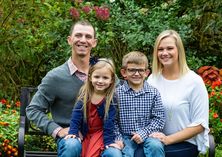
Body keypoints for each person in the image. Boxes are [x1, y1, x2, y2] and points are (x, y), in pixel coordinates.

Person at [26, 20, 98, 157]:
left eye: (88, 36)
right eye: (78, 35)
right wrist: (57, 130)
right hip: (71, 139)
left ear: (94, 42)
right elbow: (33, 109)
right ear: (69, 40)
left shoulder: (103, 74)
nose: (83, 40)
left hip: (99, 136)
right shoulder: (55, 77)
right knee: (72, 145)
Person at [147, 30, 209, 157]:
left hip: (184, 144)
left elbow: (200, 124)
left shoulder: (194, 82)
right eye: (160, 49)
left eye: (170, 48)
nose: (164, 53)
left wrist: (168, 139)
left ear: (179, 50)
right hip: (155, 142)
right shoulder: (152, 79)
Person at [64, 58, 122, 157]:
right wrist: (73, 131)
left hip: (99, 133)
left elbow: (109, 122)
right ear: (90, 77)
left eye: (105, 78)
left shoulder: (111, 99)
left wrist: (108, 142)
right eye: (97, 77)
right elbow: (76, 115)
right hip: (85, 132)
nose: (100, 81)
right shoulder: (84, 95)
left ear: (112, 80)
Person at [113, 51, 165, 157]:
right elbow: (112, 120)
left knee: (156, 146)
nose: (136, 74)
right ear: (124, 72)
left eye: (141, 70)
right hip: (125, 136)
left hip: (148, 134)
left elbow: (159, 119)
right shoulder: (116, 94)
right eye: (132, 70)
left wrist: (143, 133)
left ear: (146, 72)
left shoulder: (153, 93)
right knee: (126, 153)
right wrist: (118, 138)